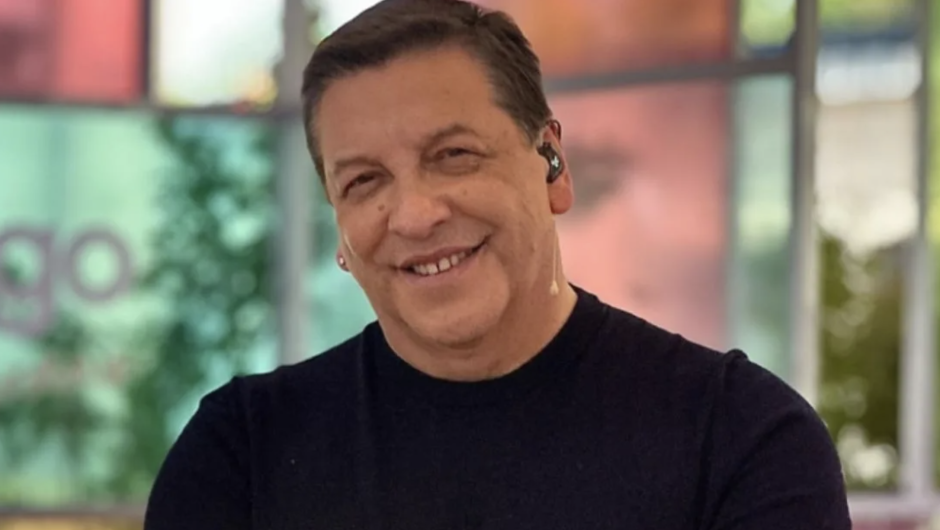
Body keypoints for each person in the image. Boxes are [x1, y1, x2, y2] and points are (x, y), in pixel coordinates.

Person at [144, 1, 852, 528]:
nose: (415, 215)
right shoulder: (242, 456)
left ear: (552, 166)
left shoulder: (739, 437)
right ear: (341, 231)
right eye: (364, 181)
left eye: (453, 155)